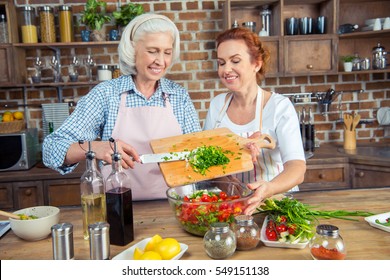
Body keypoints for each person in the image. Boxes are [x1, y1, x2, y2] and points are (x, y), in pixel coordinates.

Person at [42, 13, 201, 200]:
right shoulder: (106, 94)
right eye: (152, 51)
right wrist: (95, 148)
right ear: (132, 50)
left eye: (167, 52)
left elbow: (197, 153)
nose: (161, 61)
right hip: (120, 206)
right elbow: (51, 148)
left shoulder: (178, 95)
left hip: (177, 206)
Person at [204, 27, 306, 215]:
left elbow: (297, 168)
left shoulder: (279, 107)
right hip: (234, 205)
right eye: (221, 62)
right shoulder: (217, 105)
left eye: (235, 61)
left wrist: (268, 189)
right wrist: (236, 190)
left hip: (277, 205)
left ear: (256, 64)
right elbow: (210, 165)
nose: (226, 70)